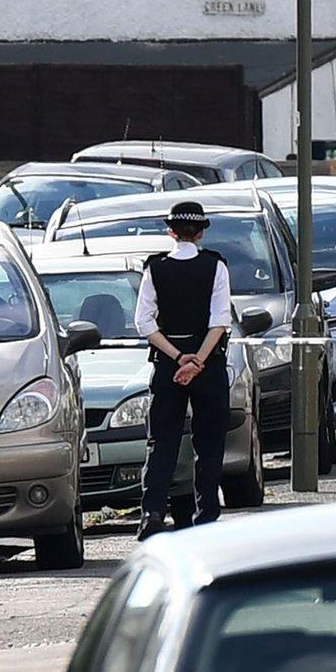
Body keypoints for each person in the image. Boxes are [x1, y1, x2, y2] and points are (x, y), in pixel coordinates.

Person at [134, 201, 235, 540]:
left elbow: (143, 322)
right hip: (208, 363)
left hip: (168, 363)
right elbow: (220, 320)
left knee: (161, 441)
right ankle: (205, 515)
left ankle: (153, 511)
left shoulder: (155, 268)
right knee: (209, 443)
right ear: (202, 231)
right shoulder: (215, 266)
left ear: (170, 231)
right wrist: (198, 362)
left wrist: (179, 358)